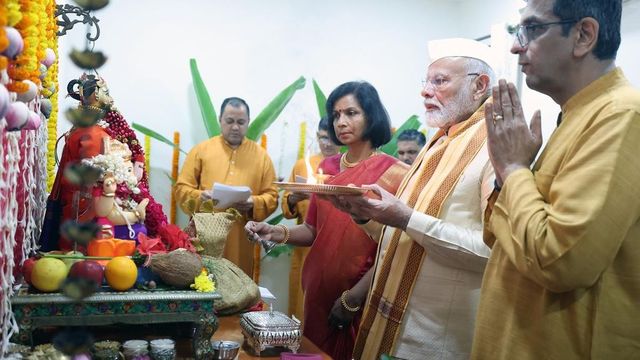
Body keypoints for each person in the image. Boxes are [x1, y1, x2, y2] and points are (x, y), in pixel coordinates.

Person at [472, 1, 640, 358]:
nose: (517, 45)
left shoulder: (623, 117)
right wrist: (509, 175)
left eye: (532, 29)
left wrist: (515, 170)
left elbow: (559, 262)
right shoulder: (580, 113)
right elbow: (497, 236)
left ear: (583, 35)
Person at [328, 39, 497, 359]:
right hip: (391, 326)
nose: (425, 91)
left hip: (435, 341)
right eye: (427, 81)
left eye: (441, 81)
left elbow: (494, 253)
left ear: (480, 85)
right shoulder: (440, 141)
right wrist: (364, 215)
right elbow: (404, 237)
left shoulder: (494, 146)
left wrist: (404, 217)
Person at [245, 81, 408, 360]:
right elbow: (312, 230)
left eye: (351, 113)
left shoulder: (396, 174)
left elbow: (395, 248)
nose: (341, 122)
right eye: (336, 115)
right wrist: (273, 232)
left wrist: (354, 297)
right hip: (316, 292)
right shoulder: (326, 169)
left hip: (357, 296)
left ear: (372, 116)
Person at [175, 97, 278, 277]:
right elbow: (182, 189)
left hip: (241, 240)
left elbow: (272, 196)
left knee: (238, 287)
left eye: (241, 122)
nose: (235, 127)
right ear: (220, 120)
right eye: (229, 121)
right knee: (203, 282)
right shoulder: (201, 150)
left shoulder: (261, 157)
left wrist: (253, 202)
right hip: (204, 237)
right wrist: (202, 197)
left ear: (248, 122)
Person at [281, 116, 340, 320]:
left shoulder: (347, 166)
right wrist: (293, 199)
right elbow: (287, 206)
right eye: (323, 138)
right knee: (300, 304)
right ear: (317, 136)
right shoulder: (302, 165)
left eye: (332, 138)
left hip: (335, 249)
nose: (327, 143)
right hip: (304, 247)